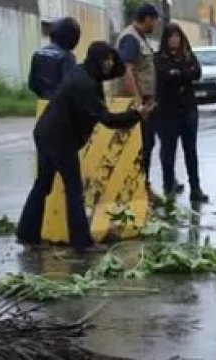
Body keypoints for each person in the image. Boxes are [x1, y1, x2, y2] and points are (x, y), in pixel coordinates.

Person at [18, 42, 150, 251]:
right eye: (105, 59)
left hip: (46, 132)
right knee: (73, 188)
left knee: (43, 185)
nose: (109, 63)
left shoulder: (85, 72)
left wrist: (117, 64)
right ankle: (81, 243)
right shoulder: (85, 84)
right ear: (96, 60)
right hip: (59, 138)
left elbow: (115, 72)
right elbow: (106, 119)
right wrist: (136, 115)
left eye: (110, 59)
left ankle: (27, 234)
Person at [154, 23, 207, 202]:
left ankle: (196, 188)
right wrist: (182, 73)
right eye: (171, 37)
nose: (174, 40)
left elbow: (196, 72)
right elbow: (165, 77)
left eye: (177, 36)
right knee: (168, 152)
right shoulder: (160, 58)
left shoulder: (188, 55)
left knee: (190, 151)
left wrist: (180, 72)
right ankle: (168, 188)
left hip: (189, 109)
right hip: (167, 112)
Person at [117, 3, 162, 177]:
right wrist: (137, 103)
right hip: (138, 103)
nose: (156, 25)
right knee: (141, 144)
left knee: (147, 143)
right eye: (155, 21)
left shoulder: (140, 37)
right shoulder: (131, 39)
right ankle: (139, 184)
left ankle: (144, 183)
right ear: (148, 19)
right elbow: (127, 71)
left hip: (146, 101)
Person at [28, 17, 80, 99]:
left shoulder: (38, 53)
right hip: (61, 105)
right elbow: (70, 86)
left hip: (42, 102)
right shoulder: (66, 57)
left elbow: (32, 84)